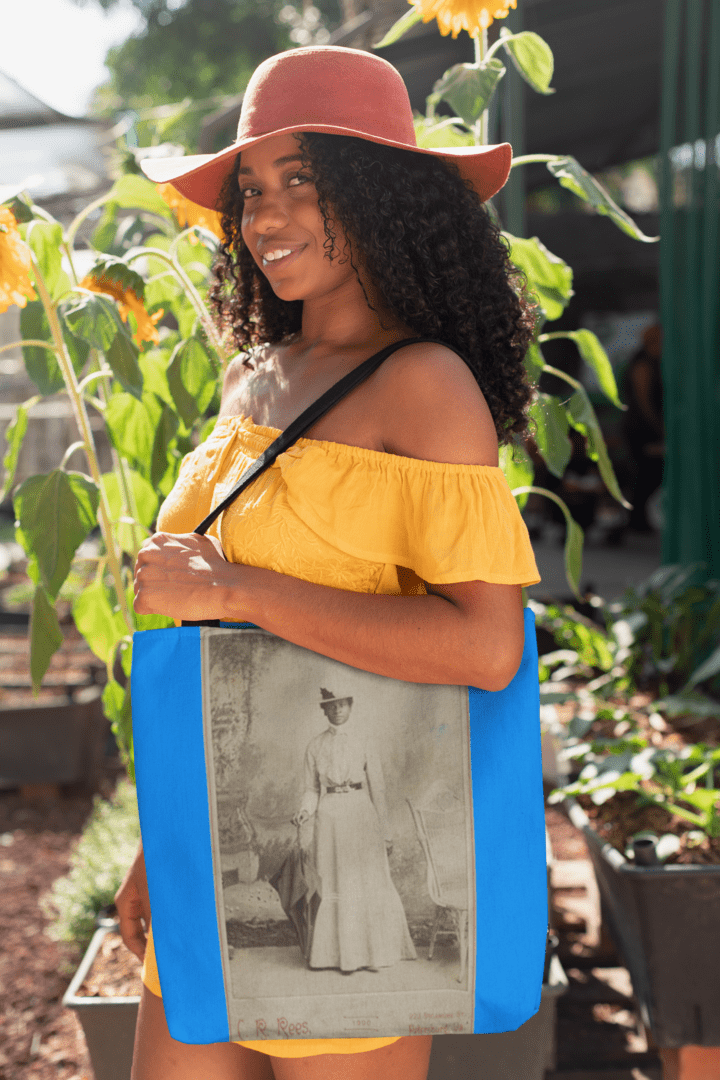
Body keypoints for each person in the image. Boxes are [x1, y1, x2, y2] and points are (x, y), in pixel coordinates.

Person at [120, 44, 541, 1080]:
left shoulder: (426, 386)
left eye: (302, 181)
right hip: (217, 857)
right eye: (251, 189)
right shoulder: (250, 378)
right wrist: (159, 844)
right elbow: (217, 661)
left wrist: (230, 586)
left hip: (350, 883)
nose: (265, 216)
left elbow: (486, 647)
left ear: (383, 197)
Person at [291, 688, 416, 973]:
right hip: (330, 816)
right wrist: (305, 810)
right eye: (331, 706)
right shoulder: (315, 745)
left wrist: (385, 831)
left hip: (361, 813)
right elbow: (311, 788)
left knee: (363, 879)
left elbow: (378, 787)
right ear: (324, 710)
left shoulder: (365, 739)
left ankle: (371, 954)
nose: (337, 710)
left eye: (342, 704)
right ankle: (332, 956)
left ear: (350, 706)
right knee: (333, 881)